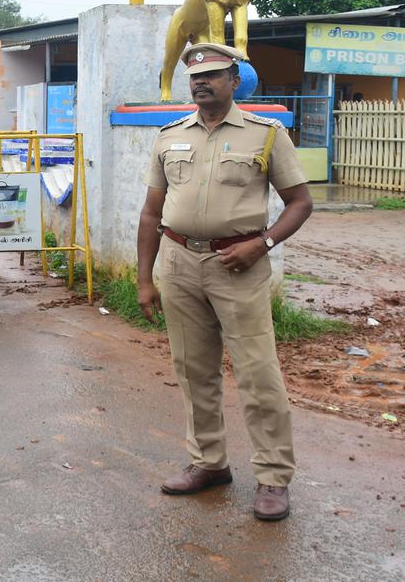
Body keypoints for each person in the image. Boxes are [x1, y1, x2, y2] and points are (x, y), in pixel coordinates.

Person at [137, 43, 313, 522]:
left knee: (258, 375)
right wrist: (144, 279)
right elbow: (152, 212)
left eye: (213, 75)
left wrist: (265, 243)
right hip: (178, 263)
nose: (201, 82)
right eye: (195, 76)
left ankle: (274, 477)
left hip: (239, 266)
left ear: (235, 81)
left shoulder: (267, 135)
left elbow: (300, 202)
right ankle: (208, 463)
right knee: (194, 371)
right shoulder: (169, 136)